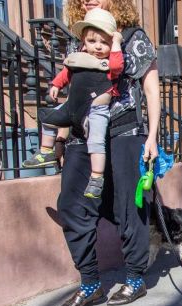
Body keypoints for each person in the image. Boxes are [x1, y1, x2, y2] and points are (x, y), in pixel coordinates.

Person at [55, 0, 160, 306]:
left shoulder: (134, 38)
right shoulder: (82, 38)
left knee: (128, 207)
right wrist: (61, 137)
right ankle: (90, 284)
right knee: (71, 206)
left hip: (125, 131)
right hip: (82, 134)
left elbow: (151, 90)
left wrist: (152, 136)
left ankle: (135, 277)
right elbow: (71, 91)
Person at [28, 8, 124, 199]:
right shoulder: (78, 60)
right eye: (92, 41)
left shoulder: (109, 64)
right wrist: (56, 85)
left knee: (96, 143)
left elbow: (116, 66)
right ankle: (46, 151)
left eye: (104, 42)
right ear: (83, 42)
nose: (98, 47)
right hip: (72, 106)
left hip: (95, 112)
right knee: (48, 117)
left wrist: (116, 44)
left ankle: (97, 177)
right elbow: (65, 74)